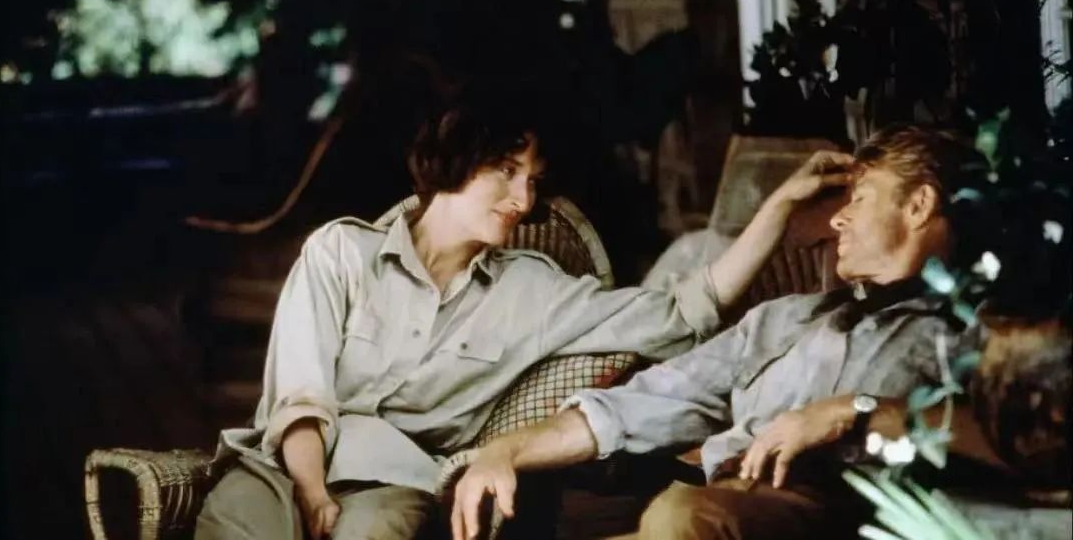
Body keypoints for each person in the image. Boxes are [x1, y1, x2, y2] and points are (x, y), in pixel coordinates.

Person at [193, 95, 851, 540]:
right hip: (282, 464)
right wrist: (310, 492)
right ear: (452, 160)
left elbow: (682, 311)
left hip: (387, 482)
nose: (524, 198)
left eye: (533, 179)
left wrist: (778, 208)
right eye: (506, 171)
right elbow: (301, 393)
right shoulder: (340, 252)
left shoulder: (533, 290)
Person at [452, 124, 983, 540]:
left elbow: (1000, 434)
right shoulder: (788, 318)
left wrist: (854, 411)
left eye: (860, 199)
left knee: (681, 517)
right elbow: (650, 400)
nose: (838, 220)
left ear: (918, 205)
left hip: (832, 506)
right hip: (720, 503)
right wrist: (506, 450)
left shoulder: (974, 326)